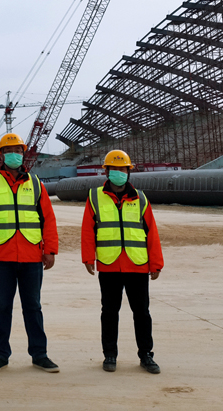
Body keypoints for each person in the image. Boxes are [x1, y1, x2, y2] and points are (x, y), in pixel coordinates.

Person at [0, 133, 60, 374]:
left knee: (33, 307)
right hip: (1, 258)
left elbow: (48, 219)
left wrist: (50, 249)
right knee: (2, 307)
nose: (14, 154)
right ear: (1, 154)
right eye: (9, 150)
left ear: (23, 153)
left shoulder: (36, 183)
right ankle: (0, 355)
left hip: (32, 257)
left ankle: (40, 355)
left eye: (18, 150)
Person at [81, 149, 164, 374]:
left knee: (142, 313)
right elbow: (88, 230)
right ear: (106, 171)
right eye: (114, 169)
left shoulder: (141, 198)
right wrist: (88, 257)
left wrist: (156, 263)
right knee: (109, 312)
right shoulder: (95, 196)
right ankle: (110, 354)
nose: (119, 173)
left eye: (123, 169)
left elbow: (151, 232)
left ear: (129, 172)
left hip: (137, 264)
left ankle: (146, 355)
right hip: (109, 264)